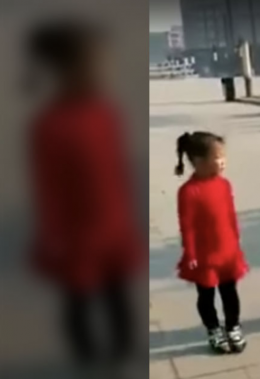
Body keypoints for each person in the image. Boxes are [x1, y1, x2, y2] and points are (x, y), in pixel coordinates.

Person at [27, 20, 143, 371]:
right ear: (66, 69)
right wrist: (54, 238)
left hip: (114, 226)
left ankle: (119, 360)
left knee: (118, 300)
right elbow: (48, 189)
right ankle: (89, 363)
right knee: (78, 302)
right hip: (76, 235)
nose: (101, 69)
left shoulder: (105, 115)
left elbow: (119, 173)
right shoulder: (51, 124)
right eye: (93, 62)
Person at [175, 131, 249, 354]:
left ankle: (233, 326)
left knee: (230, 292)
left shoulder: (224, 184)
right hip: (204, 255)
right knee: (206, 295)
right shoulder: (189, 191)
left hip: (226, 250)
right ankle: (213, 329)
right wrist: (190, 254)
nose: (223, 161)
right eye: (217, 157)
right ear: (199, 161)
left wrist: (236, 241)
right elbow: (186, 226)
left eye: (223, 156)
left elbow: (230, 215)